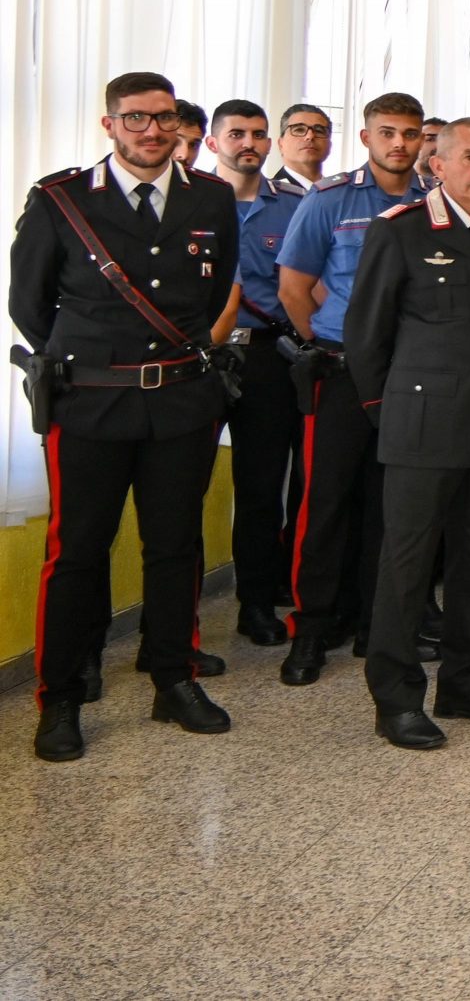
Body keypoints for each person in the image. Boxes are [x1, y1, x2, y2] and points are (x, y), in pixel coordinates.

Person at [15, 73, 240, 763]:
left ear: (178, 126)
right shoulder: (61, 199)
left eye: (164, 118)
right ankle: (59, 695)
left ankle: (172, 676)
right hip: (91, 402)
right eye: (136, 118)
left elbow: (212, 291)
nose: (152, 131)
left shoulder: (211, 197)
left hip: (179, 401)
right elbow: (30, 305)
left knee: (175, 547)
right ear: (109, 124)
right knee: (77, 550)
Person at [338, 119, 470, 750]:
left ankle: (466, 681)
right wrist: (386, 411)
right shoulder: (401, 229)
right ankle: (395, 699)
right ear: (438, 165)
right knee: (407, 563)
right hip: (421, 425)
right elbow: (365, 335)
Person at [273, 92, 429, 684]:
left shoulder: (433, 203)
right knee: (325, 502)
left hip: (411, 376)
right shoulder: (330, 200)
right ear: (365, 138)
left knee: (393, 504)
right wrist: (341, 340)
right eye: (387, 132)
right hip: (339, 372)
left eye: (410, 133)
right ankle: (311, 629)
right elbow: (295, 287)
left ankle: (376, 624)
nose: (399, 144)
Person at [206, 100, 304, 647]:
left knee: (263, 487)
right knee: (180, 488)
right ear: (213, 141)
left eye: (260, 135)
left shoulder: (293, 206)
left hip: (266, 355)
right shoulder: (192, 202)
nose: (250, 143)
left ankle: (257, 604)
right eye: (237, 133)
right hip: (200, 358)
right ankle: (170, 620)